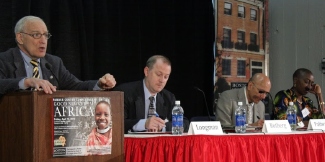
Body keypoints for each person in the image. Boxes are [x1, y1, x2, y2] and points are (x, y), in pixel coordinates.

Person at [0, 16, 116, 97]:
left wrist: (99, 84)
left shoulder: (53, 63)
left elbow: (76, 86)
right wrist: (27, 82)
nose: (43, 41)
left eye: (46, 35)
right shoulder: (4, 60)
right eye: (36, 35)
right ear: (20, 38)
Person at [113, 55, 189, 133]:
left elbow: (185, 123)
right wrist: (144, 124)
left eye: (166, 77)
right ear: (146, 71)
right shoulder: (124, 93)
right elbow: (115, 123)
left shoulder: (168, 97)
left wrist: (162, 127)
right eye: (159, 75)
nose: (162, 80)